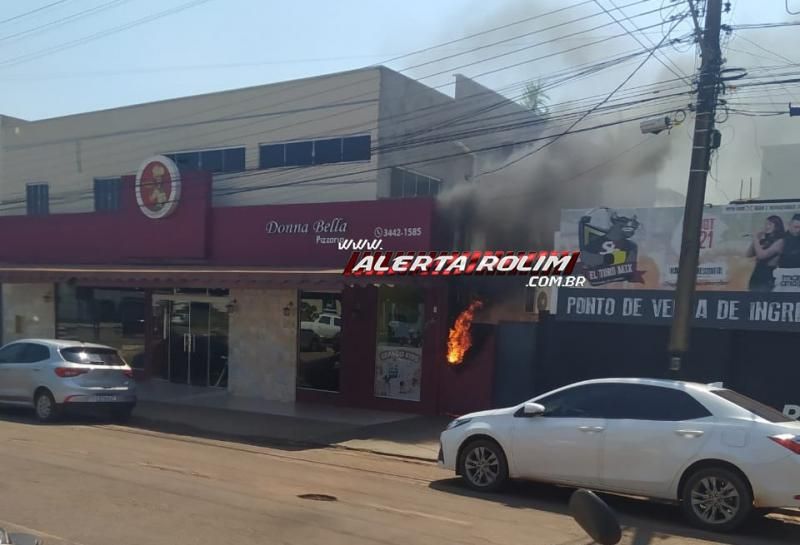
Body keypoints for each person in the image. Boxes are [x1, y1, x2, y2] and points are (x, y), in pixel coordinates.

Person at [746, 215, 785, 291]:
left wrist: (755, 238)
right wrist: (757, 239)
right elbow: (748, 254)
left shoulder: (780, 241)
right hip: (756, 275)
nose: (766, 226)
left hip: (767, 276)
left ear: (777, 226)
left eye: (769, 224)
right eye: (765, 224)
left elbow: (761, 256)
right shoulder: (765, 240)